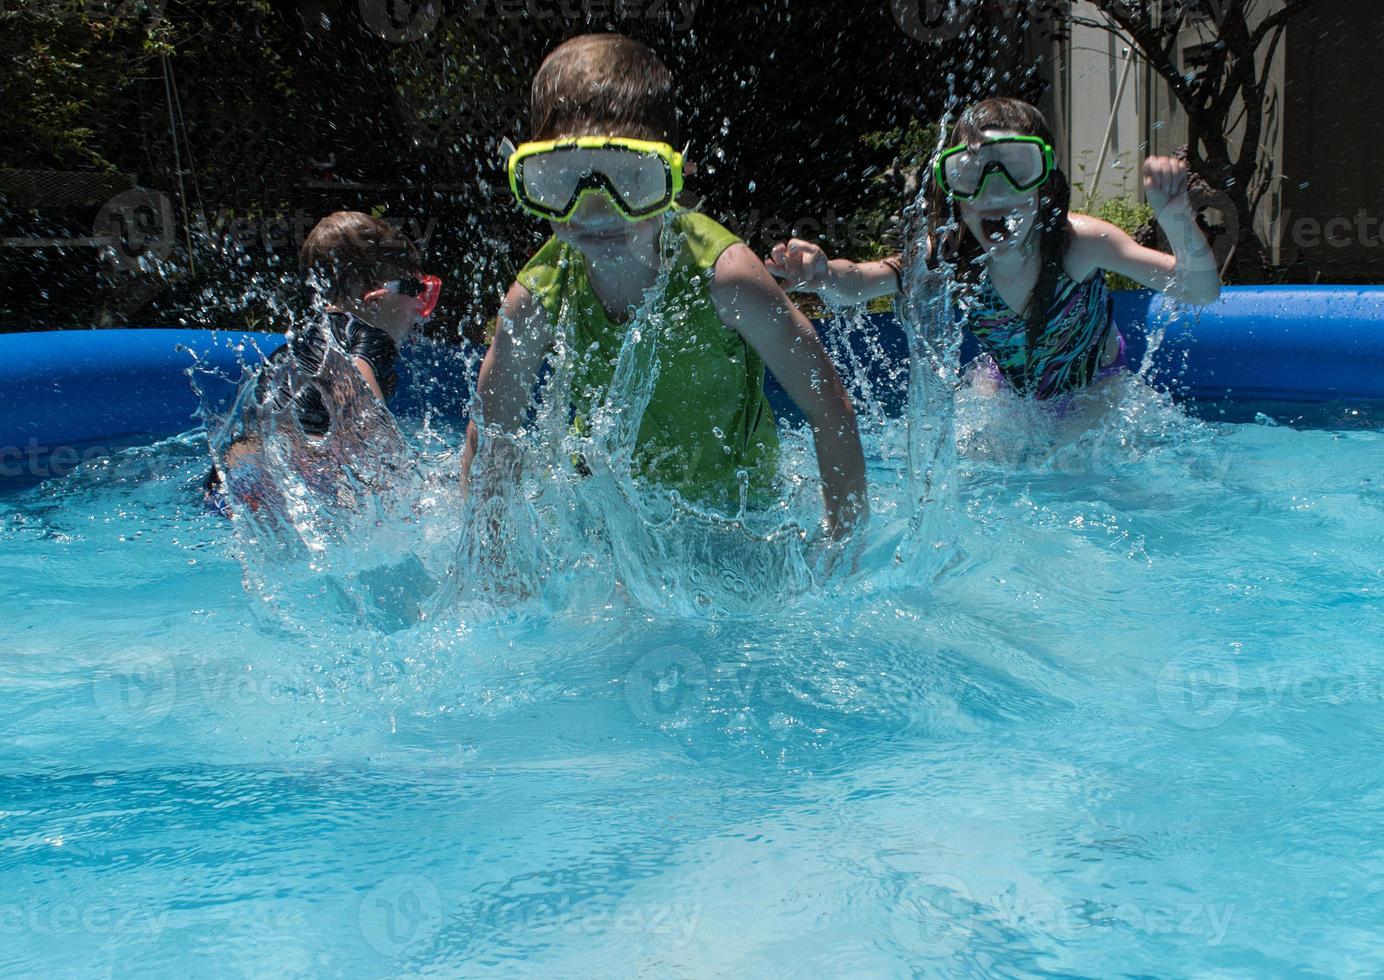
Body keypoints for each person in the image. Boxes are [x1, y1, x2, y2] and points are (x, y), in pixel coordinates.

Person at [462, 34, 866, 537]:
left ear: (677, 171)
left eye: (629, 178)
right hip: (607, 525)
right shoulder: (538, 295)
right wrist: (492, 560)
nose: (595, 210)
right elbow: (491, 434)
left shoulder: (728, 279)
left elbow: (828, 405)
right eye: (565, 180)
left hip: (739, 522)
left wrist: (842, 545)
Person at [764, 97, 1222, 403]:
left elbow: (1199, 291)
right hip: (1003, 388)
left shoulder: (1079, 245)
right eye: (972, 172)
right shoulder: (947, 254)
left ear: (1044, 182)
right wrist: (823, 276)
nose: (993, 191)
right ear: (954, 191)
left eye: (1017, 168)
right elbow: (861, 282)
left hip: (1094, 391)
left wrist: (1175, 216)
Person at [204, 211, 441, 514]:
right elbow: (369, 422)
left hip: (230, 482)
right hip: (291, 480)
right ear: (377, 299)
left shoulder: (302, 341)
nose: (423, 305)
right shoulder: (368, 338)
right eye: (415, 289)